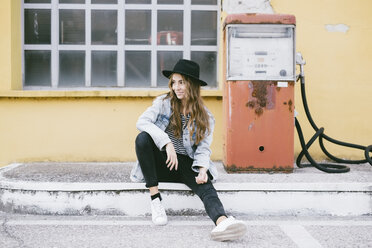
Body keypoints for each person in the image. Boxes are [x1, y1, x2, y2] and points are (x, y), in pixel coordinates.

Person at [130, 59, 247, 241]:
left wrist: (202, 169)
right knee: (142, 138)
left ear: (191, 85)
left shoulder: (205, 116)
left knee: (205, 185)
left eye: (182, 82)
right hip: (162, 164)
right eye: (174, 82)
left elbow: (203, 147)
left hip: (185, 165)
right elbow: (141, 122)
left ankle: (222, 222)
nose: (176, 87)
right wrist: (166, 143)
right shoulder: (163, 102)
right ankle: (155, 200)